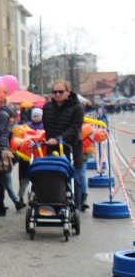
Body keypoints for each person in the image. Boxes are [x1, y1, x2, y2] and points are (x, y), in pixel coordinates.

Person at [43, 79, 87, 211]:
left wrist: (59, 139)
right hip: (53, 149)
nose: (57, 94)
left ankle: (75, 209)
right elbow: (46, 127)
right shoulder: (47, 107)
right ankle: (57, 206)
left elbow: (75, 129)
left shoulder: (77, 108)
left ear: (68, 92)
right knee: (55, 179)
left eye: (60, 92)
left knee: (75, 179)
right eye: (54, 92)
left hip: (72, 149)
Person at [0, 104, 23, 216]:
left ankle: (0, 207)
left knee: (0, 181)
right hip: (2, 149)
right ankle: (4, 205)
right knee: (2, 180)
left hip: (0, 151)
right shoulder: (3, 115)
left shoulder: (2, 115)